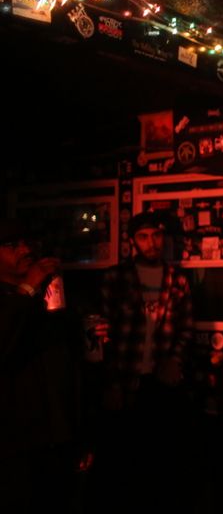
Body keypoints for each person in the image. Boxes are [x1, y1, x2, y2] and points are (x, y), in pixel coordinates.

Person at [93, 209, 194, 512]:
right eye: (144, 236)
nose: (152, 242)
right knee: (122, 461)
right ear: (132, 241)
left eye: (157, 235)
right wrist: (111, 382)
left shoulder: (177, 279)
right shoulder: (115, 277)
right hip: (125, 380)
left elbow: (186, 326)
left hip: (160, 382)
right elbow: (102, 334)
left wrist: (174, 361)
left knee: (160, 460)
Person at [0, 218, 81, 512]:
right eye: (12, 245)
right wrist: (26, 289)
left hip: (56, 435)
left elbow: (67, 361)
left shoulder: (45, 296)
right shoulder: (19, 297)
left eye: (27, 242)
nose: (25, 250)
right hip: (14, 442)